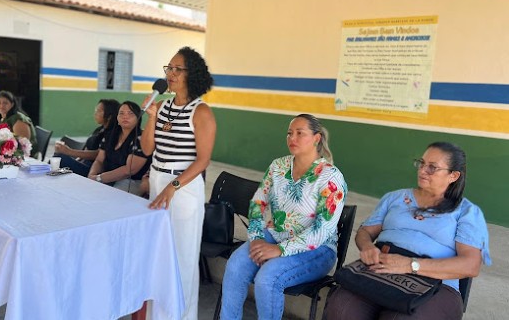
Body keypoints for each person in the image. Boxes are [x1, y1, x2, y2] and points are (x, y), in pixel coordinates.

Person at [324, 141, 491, 320]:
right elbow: (365, 232)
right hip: (381, 271)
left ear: (453, 175)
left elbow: (470, 265)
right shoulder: (394, 198)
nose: (422, 170)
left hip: (435, 283)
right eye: (421, 163)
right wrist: (366, 247)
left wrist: (410, 265)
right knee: (341, 309)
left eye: (433, 167)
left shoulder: (466, 212)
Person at [220, 114, 347, 320]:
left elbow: (321, 231)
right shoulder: (278, 166)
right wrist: (257, 237)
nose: (292, 138)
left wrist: (280, 249)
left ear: (316, 138)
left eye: (300, 133)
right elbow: (257, 203)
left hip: (317, 250)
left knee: (268, 278)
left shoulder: (330, 177)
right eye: (289, 133)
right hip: (277, 236)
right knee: (236, 265)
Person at [141, 46, 216, 320]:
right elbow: (147, 149)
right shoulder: (162, 107)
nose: (170, 74)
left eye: (177, 69)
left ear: (191, 74)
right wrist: (151, 118)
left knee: (181, 259)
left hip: (183, 188)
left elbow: (203, 160)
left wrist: (173, 187)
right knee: (159, 257)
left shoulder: (202, 112)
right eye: (168, 68)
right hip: (158, 178)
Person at [88, 101, 151, 195]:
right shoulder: (110, 136)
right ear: (117, 118)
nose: (125, 116)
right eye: (121, 113)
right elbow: (99, 160)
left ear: (138, 118)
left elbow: (129, 170)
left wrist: (99, 178)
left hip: (131, 181)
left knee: (109, 196)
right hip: (106, 177)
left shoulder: (141, 139)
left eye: (130, 113)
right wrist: (92, 175)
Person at [54, 99, 120, 177]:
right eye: (95, 110)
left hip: (93, 170)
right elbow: (87, 148)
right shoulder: (100, 129)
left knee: (60, 158)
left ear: (109, 116)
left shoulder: (113, 134)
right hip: (84, 164)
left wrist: (69, 151)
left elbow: (97, 154)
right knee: (57, 159)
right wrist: (76, 161)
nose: (95, 113)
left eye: (99, 111)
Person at [0, 90, 38, 157]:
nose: (1, 105)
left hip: (24, 156)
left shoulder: (18, 119)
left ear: (12, 104)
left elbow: (22, 144)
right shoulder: (0, 118)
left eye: (5, 103)